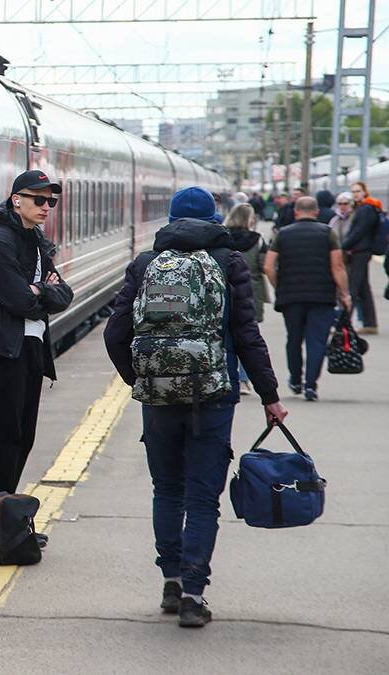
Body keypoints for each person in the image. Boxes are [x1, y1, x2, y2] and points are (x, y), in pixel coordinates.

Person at [104, 186, 286, 628]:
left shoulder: (147, 264)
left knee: (167, 490)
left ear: (168, 221)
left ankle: (169, 579)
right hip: (213, 395)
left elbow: (115, 331)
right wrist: (270, 396)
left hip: (159, 395)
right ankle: (192, 593)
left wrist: (141, 378)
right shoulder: (229, 263)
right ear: (215, 220)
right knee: (203, 498)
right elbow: (246, 335)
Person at [0, 170, 72, 496]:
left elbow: (65, 294)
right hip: (5, 351)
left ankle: (6, 516)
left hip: (31, 348)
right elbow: (17, 300)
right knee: (3, 438)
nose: (46, 206)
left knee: (23, 436)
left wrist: (40, 292)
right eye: (39, 199)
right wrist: (39, 293)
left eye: (50, 201)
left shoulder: (36, 242)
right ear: (16, 200)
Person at [263, 197, 352, 401]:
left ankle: (295, 379)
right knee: (317, 341)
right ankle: (310, 385)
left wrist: (279, 286)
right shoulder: (328, 233)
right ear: (317, 212)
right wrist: (345, 294)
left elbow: (268, 266)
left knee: (293, 339)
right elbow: (337, 266)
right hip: (322, 296)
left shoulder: (282, 234)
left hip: (291, 296)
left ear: (295, 212)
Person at [224, 203, 266, 395]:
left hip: (224, 292)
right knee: (247, 336)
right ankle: (242, 379)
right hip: (250, 292)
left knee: (224, 335)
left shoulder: (221, 238)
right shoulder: (257, 240)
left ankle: (226, 375)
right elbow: (264, 265)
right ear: (250, 219)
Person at [342, 181, 379, 334]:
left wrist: (343, 246)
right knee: (363, 288)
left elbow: (358, 232)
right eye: (353, 191)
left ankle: (344, 324)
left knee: (352, 288)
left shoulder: (366, 209)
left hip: (359, 252)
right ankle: (370, 323)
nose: (355, 194)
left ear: (365, 192)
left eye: (358, 191)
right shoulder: (365, 208)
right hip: (361, 251)